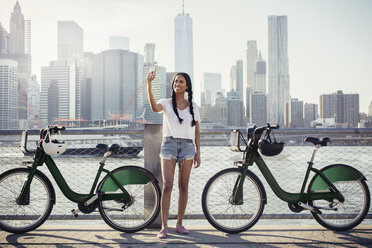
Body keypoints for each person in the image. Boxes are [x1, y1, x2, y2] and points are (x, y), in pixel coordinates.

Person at [146, 69, 201, 239]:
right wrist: (149, 85)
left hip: (188, 147)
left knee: (183, 186)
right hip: (169, 145)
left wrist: (198, 153)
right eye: (176, 81)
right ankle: (164, 226)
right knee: (168, 185)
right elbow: (155, 108)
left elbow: (197, 130)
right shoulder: (166, 103)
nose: (177, 84)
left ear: (187, 87)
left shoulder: (193, 106)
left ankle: (179, 223)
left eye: (181, 82)